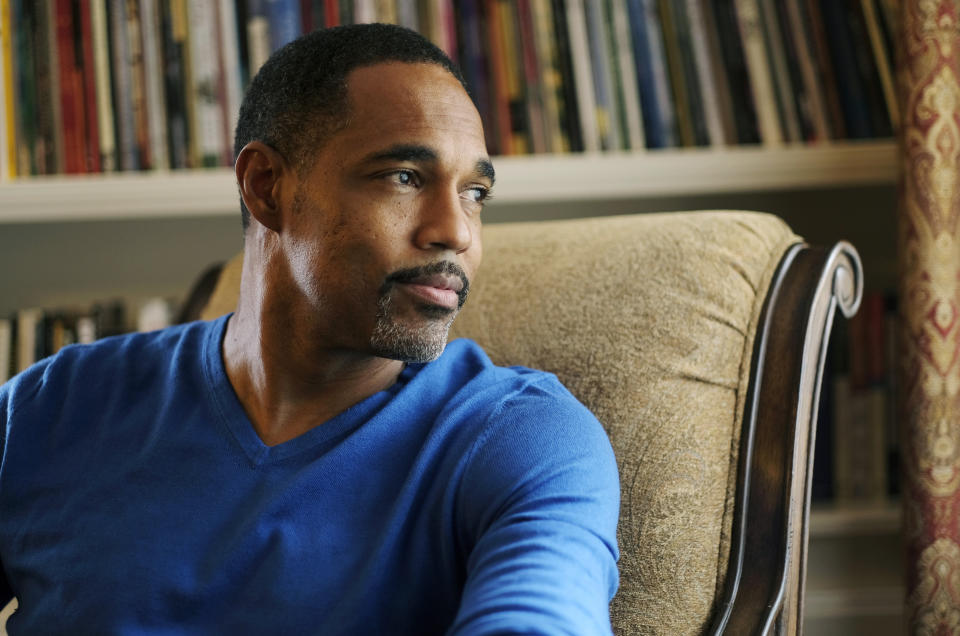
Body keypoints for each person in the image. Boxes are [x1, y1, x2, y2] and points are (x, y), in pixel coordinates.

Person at [0, 24, 619, 635]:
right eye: (404, 176)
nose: (456, 232)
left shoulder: (525, 438)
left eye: (475, 192)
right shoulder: (49, 408)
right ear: (266, 187)